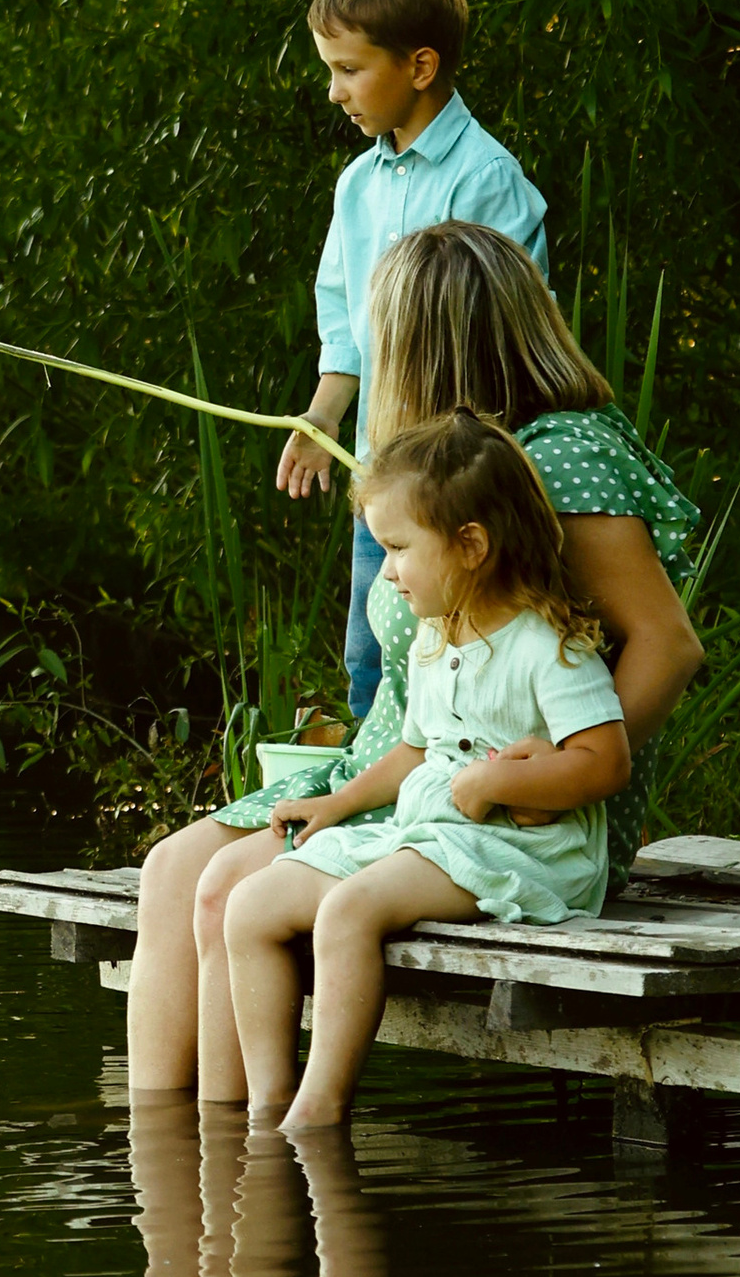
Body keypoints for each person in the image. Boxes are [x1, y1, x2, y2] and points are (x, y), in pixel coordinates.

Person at [125, 220, 701, 1099]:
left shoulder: (549, 459)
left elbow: (667, 643)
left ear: (426, 345)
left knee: (222, 891)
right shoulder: (438, 464)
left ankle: (249, 1151)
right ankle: (171, 1158)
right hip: (400, 767)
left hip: (500, 809)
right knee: (173, 870)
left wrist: (558, 779)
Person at [223, 412, 632, 1127]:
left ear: (470, 545)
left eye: (398, 549)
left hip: (523, 847)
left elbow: (606, 763)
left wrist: (499, 782)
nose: (387, 571)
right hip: (431, 832)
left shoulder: (549, 649)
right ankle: (267, 1104)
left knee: (349, 910)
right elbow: (414, 751)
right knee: (251, 905)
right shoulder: (434, 639)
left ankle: (318, 1112)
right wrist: (337, 806)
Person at [278, 0, 549, 730]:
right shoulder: (357, 186)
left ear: (420, 66)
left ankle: (451, 792)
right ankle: (378, 793)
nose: (334, 91)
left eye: (349, 70)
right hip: (383, 479)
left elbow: (507, 330)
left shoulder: (486, 179)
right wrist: (323, 415)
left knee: (458, 662)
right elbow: (345, 316)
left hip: (461, 487)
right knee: (371, 662)